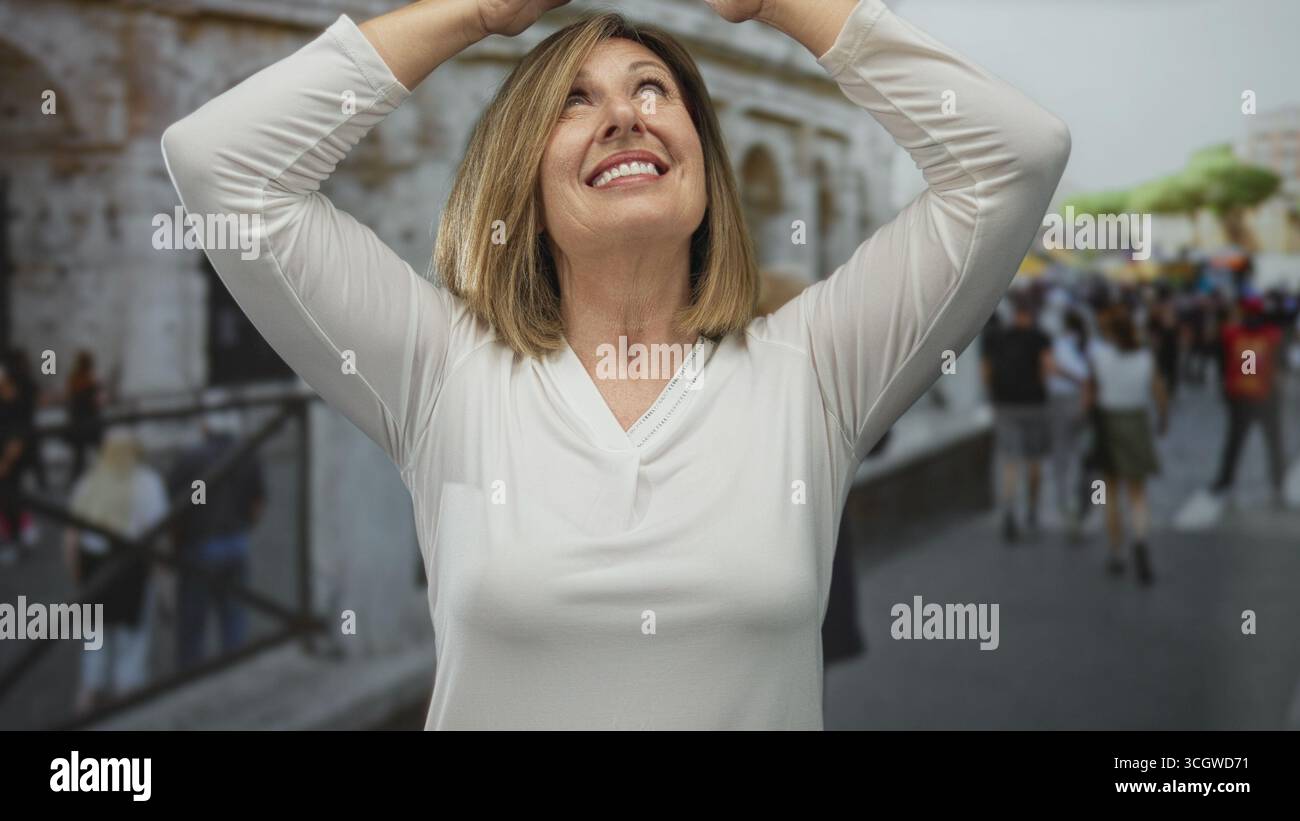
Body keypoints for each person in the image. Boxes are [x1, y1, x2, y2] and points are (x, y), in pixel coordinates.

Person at [160, 0, 1069, 728]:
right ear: (524, 176)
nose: (624, 114)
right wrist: (471, 14)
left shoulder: (814, 367)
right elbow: (221, 166)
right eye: (574, 99)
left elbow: (1015, 159)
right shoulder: (442, 369)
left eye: (652, 90)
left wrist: (785, 7)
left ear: (705, 165)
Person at [63, 427, 169, 713]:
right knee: (132, 642)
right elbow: (156, 535)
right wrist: (161, 579)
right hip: (131, 573)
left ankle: (90, 695)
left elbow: (71, 538)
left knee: (94, 638)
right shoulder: (148, 483)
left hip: (93, 569)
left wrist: (77, 577)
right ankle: (127, 697)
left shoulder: (87, 483)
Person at [167, 412, 266, 671]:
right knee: (234, 618)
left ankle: (188, 681)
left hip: (199, 546)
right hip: (235, 542)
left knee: (192, 624)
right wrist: (242, 526)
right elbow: (257, 505)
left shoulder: (189, 459)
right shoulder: (248, 455)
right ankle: (234, 675)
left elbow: (173, 511)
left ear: (205, 427)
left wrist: (176, 544)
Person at [1085, 307, 1168, 586]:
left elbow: (1090, 393)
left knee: (1110, 492)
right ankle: (1141, 540)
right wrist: (1163, 418)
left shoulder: (1099, 355)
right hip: (1136, 422)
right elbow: (1158, 391)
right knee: (1137, 491)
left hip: (1109, 423)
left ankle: (1117, 551)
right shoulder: (1144, 357)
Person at [981, 291, 1054, 542]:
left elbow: (986, 371)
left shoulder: (995, 337)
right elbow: (1047, 369)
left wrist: (992, 395)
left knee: (1010, 461)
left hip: (1005, 404)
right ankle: (1032, 511)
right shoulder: (1041, 337)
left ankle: (1009, 512)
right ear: (1032, 312)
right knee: (1034, 461)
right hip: (1034, 404)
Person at [1210, 295, 1287, 507]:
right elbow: (1280, 365)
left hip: (1242, 396)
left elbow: (1222, 363)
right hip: (1265, 396)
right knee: (1272, 442)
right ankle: (1277, 481)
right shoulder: (1272, 335)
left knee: (1236, 442)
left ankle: (1226, 480)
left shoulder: (1232, 334)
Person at [1046, 308, 1091, 539]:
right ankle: (1083, 507)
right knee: (1082, 456)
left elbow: (1050, 368)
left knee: (1063, 458)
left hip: (1062, 401)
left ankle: (1068, 508)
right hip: (1084, 402)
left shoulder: (1059, 344)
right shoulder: (1089, 345)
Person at [0, 360, 30, 565]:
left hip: (9, 463)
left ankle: (15, 541)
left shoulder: (16, 404)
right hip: (6, 461)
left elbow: (17, 438)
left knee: (10, 500)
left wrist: (5, 462)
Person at [65, 350, 106, 487]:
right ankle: (104, 475)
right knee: (99, 451)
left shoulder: (74, 379)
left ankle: (74, 481)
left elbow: (71, 401)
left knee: (79, 457)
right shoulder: (90, 382)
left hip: (77, 422)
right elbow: (96, 402)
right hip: (89, 422)